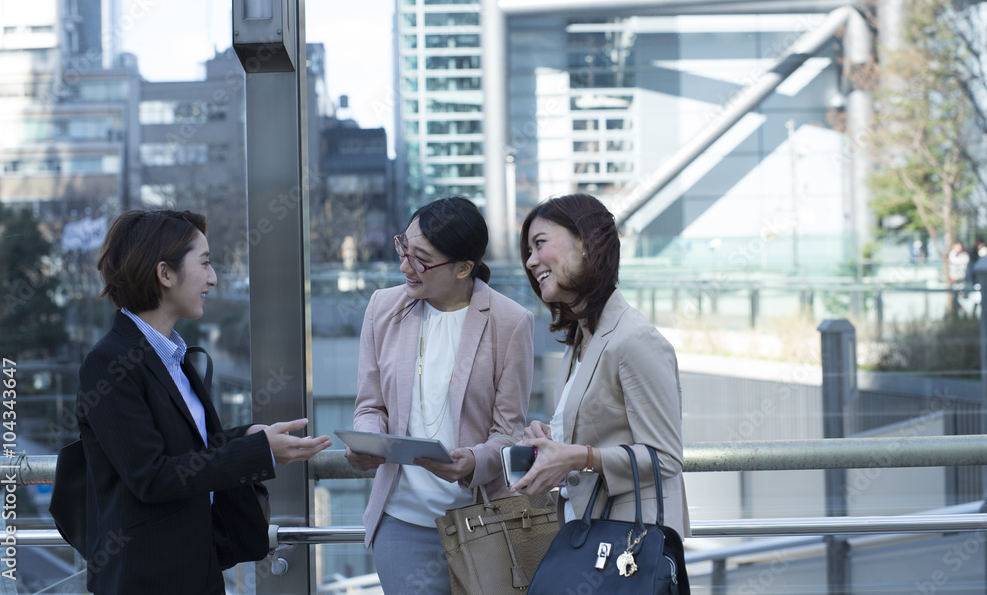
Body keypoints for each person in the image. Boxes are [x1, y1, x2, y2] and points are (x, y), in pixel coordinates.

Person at [77, 209, 331, 594]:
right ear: (165, 274)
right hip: (145, 579)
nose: (213, 278)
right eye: (206, 263)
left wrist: (247, 437)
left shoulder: (174, 356)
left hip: (197, 568)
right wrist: (259, 452)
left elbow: (186, 451)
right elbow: (153, 476)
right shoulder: (109, 362)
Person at [347, 196, 534, 593]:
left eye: (421, 259)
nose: (404, 267)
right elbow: (370, 404)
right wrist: (370, 441)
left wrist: (474, 461)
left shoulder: (511, 322)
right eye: (404, 249)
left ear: (464, 267)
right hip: (401, 527)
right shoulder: (384, 307)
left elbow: (509, 433)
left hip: (482, 520)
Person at [510, 193, 690, 541]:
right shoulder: (580, 339)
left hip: (630, 546)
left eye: (540, 244)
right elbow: (601, 432)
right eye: (528, 252)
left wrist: (577, 457)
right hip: (587, 536)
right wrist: (551, 440)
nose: (531, 261)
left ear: (586, 244)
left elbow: (665, 457)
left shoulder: (635, 339)